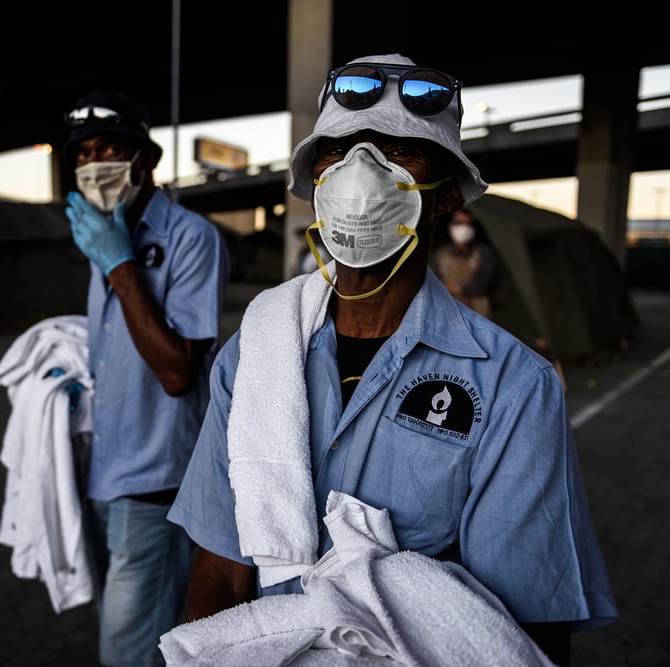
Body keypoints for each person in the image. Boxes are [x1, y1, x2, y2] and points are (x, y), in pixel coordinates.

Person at [167, 54, 616, 666]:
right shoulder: (254, 351)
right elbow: (221, 567)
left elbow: (517, 636)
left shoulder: (513, 386)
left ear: (447, 196)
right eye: (341, 149)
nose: (362, 173)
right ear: (316, 180)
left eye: (400, 152)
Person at [61, 90, 230, 666]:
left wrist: (119, 265)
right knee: (138, 635)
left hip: (155, 485)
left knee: (127, 652)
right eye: (82, 153)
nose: (93, 163)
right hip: (103, 473)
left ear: (146, 159)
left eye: (109, 147)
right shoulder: (101, 235)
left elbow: (179, 370)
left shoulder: (190, 238)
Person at [432, 206, 500, 318]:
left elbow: (481, 284)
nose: (463, 228)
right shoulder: (441, 255)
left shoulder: (482, 253)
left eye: (468, 224)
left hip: (477, 312)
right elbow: (434, 281)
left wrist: (453, 289)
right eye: (459, 223)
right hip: (448, 310)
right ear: (451, 227)